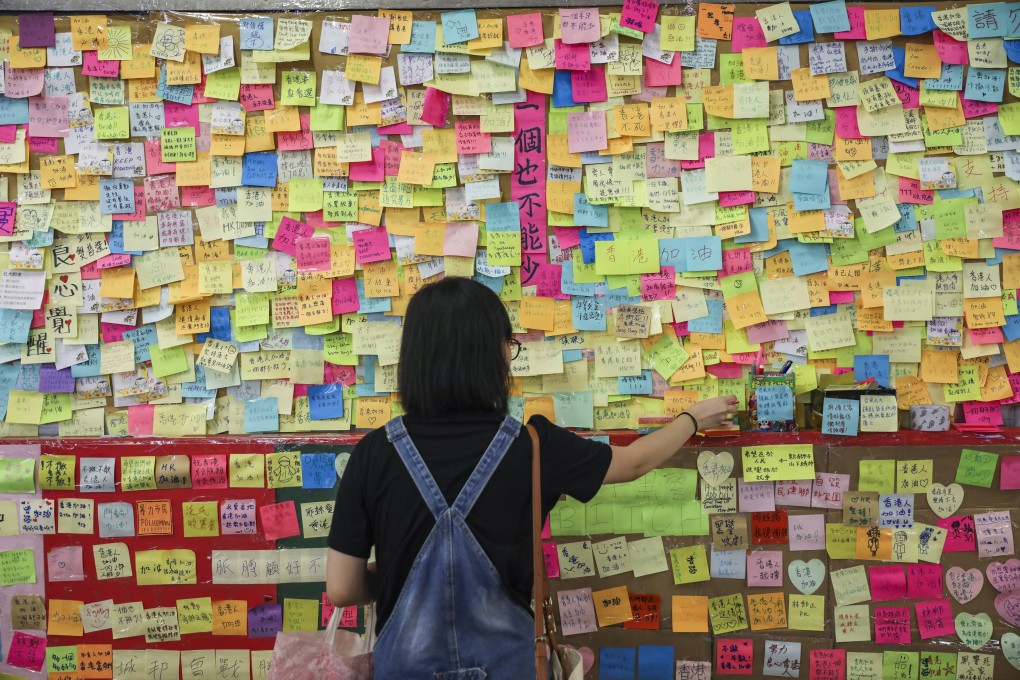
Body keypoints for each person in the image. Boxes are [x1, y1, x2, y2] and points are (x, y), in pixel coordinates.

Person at [326, 277, 737, 679]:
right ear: (492, 354)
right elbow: (633, 463)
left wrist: (400, 568)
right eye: (509, 343)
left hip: (404, 666)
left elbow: (343, 589)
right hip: (508, 663)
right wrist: (693, 418)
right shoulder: (533, 445)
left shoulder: (373, 453)